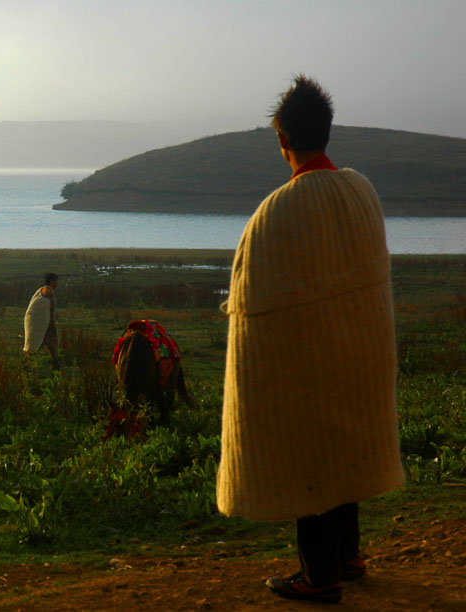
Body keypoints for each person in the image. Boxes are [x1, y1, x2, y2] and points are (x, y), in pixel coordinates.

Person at [216, 75, 403, 604]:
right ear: (327, 131)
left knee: (310, 454)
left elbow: (256, 317)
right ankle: (347, 556)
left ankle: (319, 578)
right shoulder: (361, 192)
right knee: (345, 446)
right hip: (359, 355)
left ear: (283, 141)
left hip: (309, 368)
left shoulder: (276, 212)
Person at [23, 272, 61, 370]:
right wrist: (52, 324)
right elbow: (50, 310)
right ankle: (55, 366)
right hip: (41, 322)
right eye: (56, 281)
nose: (57, 283)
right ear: (52, 282)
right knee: (50, 344)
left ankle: (55, 365)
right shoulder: (49, 292)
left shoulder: (41, 290)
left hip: (34, 320)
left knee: (38, 344)